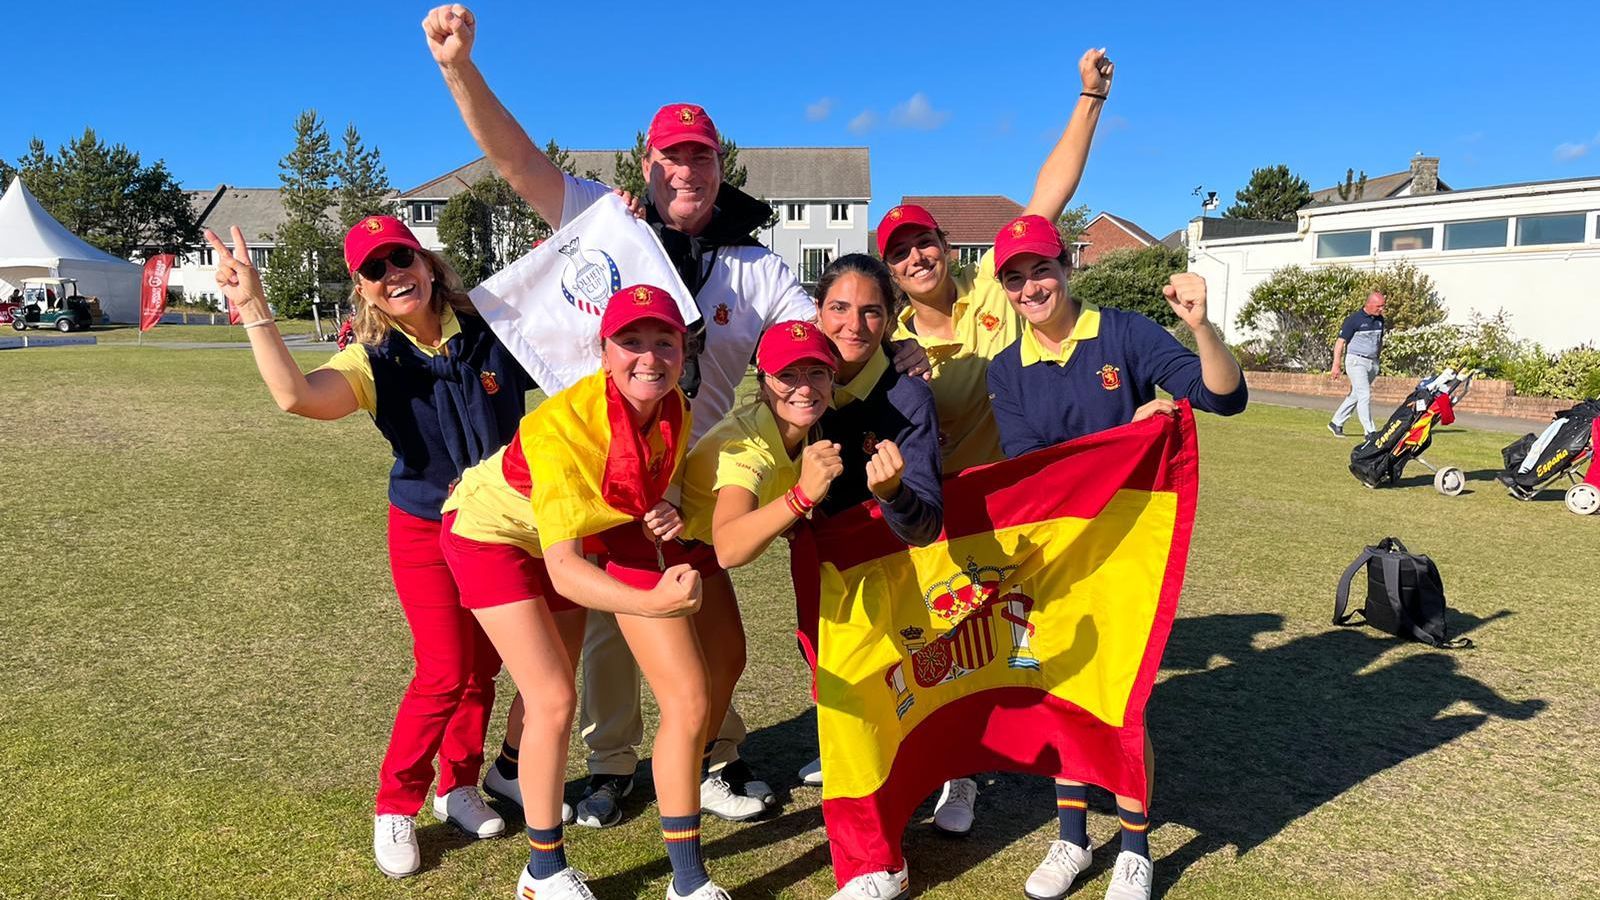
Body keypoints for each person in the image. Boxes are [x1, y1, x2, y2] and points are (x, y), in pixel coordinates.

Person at [423, 2, 928, 824]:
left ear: (720, 166)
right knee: (606, 637)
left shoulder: (755, 265)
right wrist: (459, 69)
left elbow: (821, 335)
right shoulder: (606, 222)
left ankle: (710, 759)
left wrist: (892, 343)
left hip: (689, 478)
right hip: (593, 473)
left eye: (700, 156)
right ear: (647, 163)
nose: (685, 171)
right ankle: (611, 766)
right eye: (671, 157)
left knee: (704, 632)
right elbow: (517, 163)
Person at [203, 216, 530, 878]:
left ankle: (458, 784)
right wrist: (253, 307)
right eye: (375, 270)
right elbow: (296, 397)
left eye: (401, 258)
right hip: (425, 527)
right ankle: (396, 804)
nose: (393, 275)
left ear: (427, 262)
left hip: (500, 526)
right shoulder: (370, 357)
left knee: (484, 667)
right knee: (444, 670)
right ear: (363, 288)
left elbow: (575, 326)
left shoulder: (492, 323)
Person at [875, 45, 1114, 835]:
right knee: (951, 645)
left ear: (946, 248)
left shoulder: (995, 289)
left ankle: (1070, 771)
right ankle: (960, 776)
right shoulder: (894, 346)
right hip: (949, 517)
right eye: (900, 253)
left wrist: (1088, 100)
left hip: (1028, 503)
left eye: (924, 243)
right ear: (891, 272)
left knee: (1040, 640)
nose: (916, 257)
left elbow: (1050, 193)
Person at [441, 283, 735, 900]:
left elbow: (636, 493)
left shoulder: (675, 407)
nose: (649, 357)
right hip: (491, 534)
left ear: (684, 351)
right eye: (631, 342)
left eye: (665, 342)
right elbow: (565, 570)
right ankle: (541, 872)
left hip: (584, 534)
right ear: (603, 352)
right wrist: (652, 601)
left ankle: (687, 880)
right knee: (552, 698)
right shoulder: (562, 427)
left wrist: (665, 512)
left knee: (689, 695)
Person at [985, 215, 1247, 900]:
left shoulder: (1126, 333)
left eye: (1041, 270)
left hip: (1130, 551)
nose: (1030, 288)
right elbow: (1031, 469)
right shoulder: (1005, 368)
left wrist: (1201, 328)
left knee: (1124, 704)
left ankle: (1135, 847)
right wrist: (1121, 438)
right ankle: (1072, 838)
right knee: (1064, 694)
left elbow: (1222, 396)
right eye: (1015, 278)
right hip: (1056, 557)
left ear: (1067, 267)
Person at [807, 255, 944, 900]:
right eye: (839, 308)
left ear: (890, 320)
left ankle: (879, 863)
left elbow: (925, 523)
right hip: (816, 562)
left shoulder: (907, 394)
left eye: (871, 311)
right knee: (839, 702)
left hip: (882, 571)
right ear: (816, 313)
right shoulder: (799, 378)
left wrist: (891, 494)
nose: (853, 324)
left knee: (873, 702)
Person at [1329, 290, 1388, 440]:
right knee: (1364, 394)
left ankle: (1336, 422)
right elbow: (1340, 342)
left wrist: (1377, 360)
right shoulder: (1354, 320)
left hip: (1372, 362)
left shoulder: (1380, 320)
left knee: (1356, 394)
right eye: (1379, 306)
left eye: (1383, 306)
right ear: (1369, 304)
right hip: (1356, 361)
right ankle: (1370, 432)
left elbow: (1379, 341)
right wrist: (1336, 365)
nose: (1381, 309)